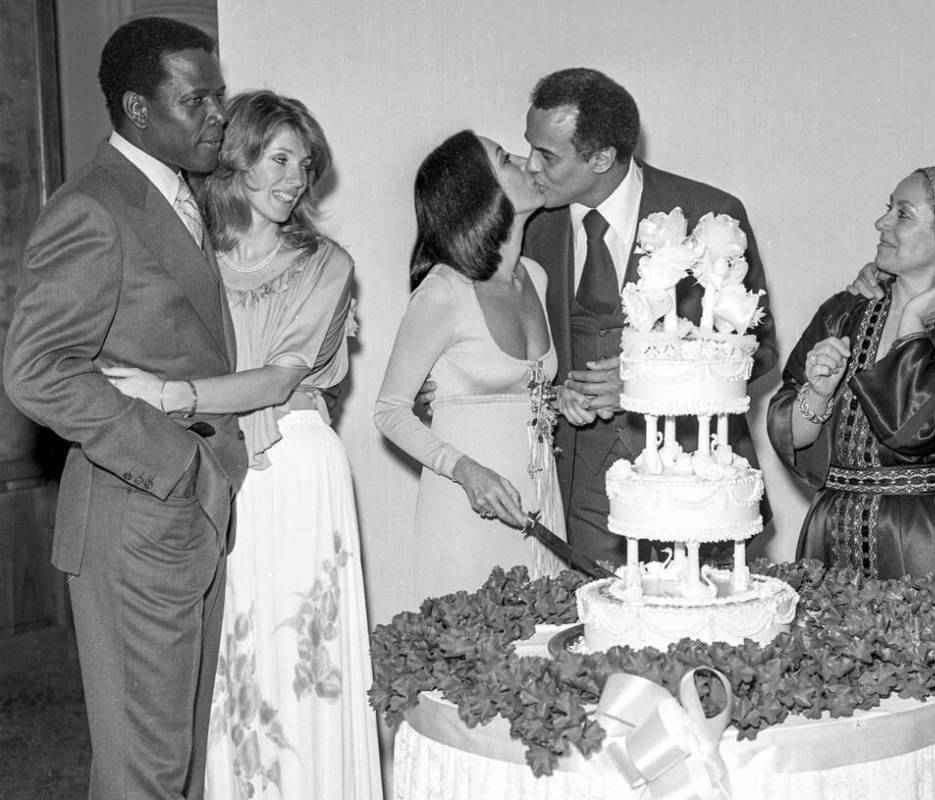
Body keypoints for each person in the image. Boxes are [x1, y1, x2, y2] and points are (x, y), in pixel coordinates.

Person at [103, 91, 381, 799]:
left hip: (293, 466)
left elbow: (280, 377)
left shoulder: (327, 265)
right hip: (209, 466)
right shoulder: (196, 256)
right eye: (280, 157)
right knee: (228, 648)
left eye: (306, 162)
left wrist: (175, 395)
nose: (296, 176)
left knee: (298, 654)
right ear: (240, 159)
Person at [1, 18, 248, 799]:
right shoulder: (94, 208)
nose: (218, 114)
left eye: (221, 95)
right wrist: (172, 461)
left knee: (179, 761)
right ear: (138, 107)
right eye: (197, 99)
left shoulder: (176, 193)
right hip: (137, 515)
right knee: (146, 772)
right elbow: (35, 369)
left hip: (186, 511)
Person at [521, 68, 777, 564]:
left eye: (546, 155)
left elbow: (758, 349)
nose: (530, 167)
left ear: (601, 158)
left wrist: (649, 382)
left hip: (694, 486)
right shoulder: (531, 229)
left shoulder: (710, 215)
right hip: (578, 493)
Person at [766, 167, 935, 579]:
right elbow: (790, 436)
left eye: (902, 214)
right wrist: (818, 395)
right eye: (887, 209)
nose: (881, 223)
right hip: (829, 536)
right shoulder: (842, 312)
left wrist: (912, 324)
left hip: (921, 541)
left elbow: (912, 429)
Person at [374, 129, 566, 601]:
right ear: (476, 192)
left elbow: (523, 398)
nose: (526, 161)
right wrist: (466, 472)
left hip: (540, 500)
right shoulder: (443, 292)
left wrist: (566, 400)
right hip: (467, 508)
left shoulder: (535, 278)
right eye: (506, 158)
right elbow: (389, 411)